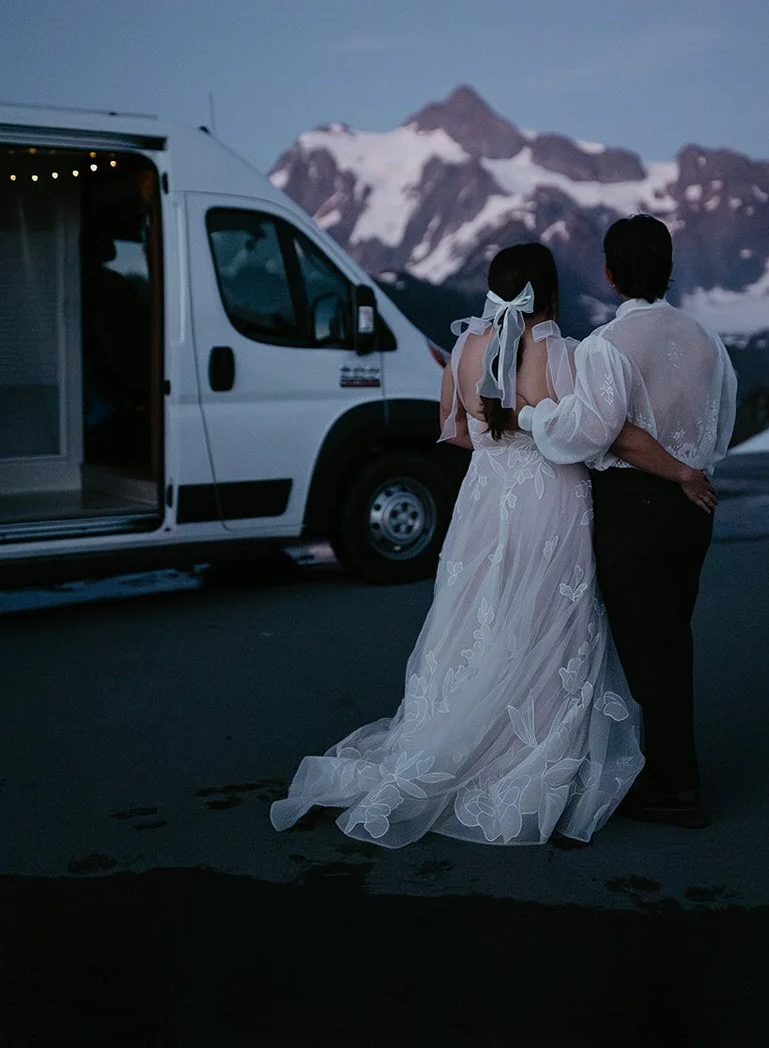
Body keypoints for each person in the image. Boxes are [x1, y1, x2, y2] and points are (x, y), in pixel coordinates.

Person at [270, 241, 696, 847]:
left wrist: (498, 438)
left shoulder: (465, 350)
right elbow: (587, 437)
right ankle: (537, 750)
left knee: (477, 617)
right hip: (551, 499)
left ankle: (456, 740)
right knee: (552, 621)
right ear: (549, 293)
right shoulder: (563, 352)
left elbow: (455, 432)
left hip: (483, 502)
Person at [519, 216, 737, 827]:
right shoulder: (708, 342)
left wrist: (537, 418)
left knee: (650, 650)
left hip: (634, 510)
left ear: (611, 274)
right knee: (671, 638)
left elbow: (596, 432)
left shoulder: (606, 347)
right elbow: (722, 426)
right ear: (669, 268)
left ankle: (676, 786)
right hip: (695, 509)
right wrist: (690, 470)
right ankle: (669, 771)